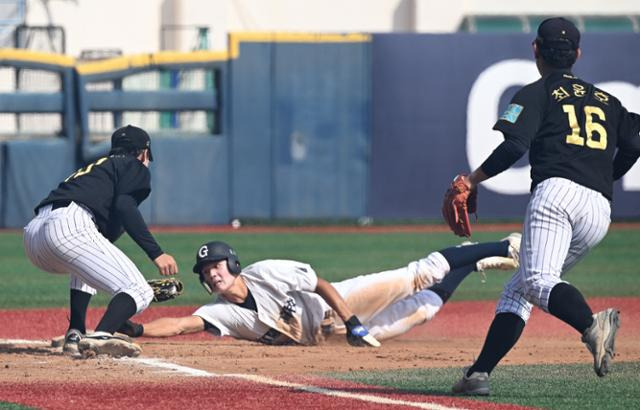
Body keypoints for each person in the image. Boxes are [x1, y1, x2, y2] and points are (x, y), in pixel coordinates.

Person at [447, 17, 640, 395]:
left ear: (535, 49)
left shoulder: (537, 92)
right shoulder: (607, 100)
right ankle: (478, 375)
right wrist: (606, 177)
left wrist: (471, 180)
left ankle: (591, 324)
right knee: (520, 289)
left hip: (557, 195)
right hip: (599, 210)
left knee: (537, 282)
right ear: (578, 54)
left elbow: (515, 146)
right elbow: (634, 142)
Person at [117, 234, 521, 346]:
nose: (212, 274)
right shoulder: (223, 311)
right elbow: (182, 325)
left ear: (234, 264)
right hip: (334, 335)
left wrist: (354, 320)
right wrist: (133, 329)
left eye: (216, 265)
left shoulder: (267, 272)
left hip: (343, 304)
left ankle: (505, 246)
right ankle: (471, 262)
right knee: (424, 310)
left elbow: (321, 285)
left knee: (419, 274)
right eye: (205, 271)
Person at [23, 125, 179, 358]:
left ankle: (75, 332)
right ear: (144, 153)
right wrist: (156, 253)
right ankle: (102, 335)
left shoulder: (97, 169)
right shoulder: (133, 165)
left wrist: (116, 291)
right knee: (139, 290)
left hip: (34, 236)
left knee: (84, 265)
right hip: (70, 224)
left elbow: (103, 234)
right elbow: (125, 207)